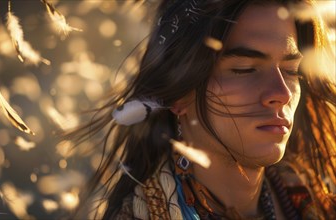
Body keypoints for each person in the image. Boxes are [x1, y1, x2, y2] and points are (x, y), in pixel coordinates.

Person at [69, 0, 336, 219]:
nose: (282, 93)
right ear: (179, 94)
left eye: (292, 71)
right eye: (244, 69)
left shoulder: (319, 197)